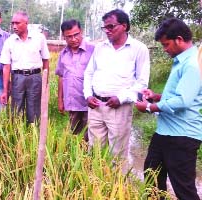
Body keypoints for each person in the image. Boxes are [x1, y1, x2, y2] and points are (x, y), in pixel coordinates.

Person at [135, 18, 202, 200]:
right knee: (152, 177)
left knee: (184, 189)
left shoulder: (192, 64)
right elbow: (178, 95)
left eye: (166, 45)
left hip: (182, 135)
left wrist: (150, 106)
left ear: (179, 39)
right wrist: (156, 96)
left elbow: (183, 101)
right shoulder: (181, 61)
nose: (164, 49)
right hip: (165, 132)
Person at [83, 9, 150, 158]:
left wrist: (121, 98)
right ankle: (96, 181)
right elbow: (89, 73)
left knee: (117, 154)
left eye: (111, 26)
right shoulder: (100, 47)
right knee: (94, 152)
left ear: (124, 26)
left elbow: (142, 83)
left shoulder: (139, 49)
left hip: (119, 109)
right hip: (96, 106)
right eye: (104, 27)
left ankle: (117, 181)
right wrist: (88, 95)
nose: (107, 31)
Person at [0, 11, 50, 123]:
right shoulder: (9, 41)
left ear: (26, 23)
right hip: (17, 78)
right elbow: (6, 67)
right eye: (12, 23)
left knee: (34, 110)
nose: (14, 26)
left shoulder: (39, 38)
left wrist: (46, 82)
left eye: (17, 23)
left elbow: (46, 60)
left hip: (35, 77)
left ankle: (33, 136)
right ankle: (17, 136)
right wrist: (5, 90)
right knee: (16, 110)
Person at [55, 19, 95, 140]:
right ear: (64, 37)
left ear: (81, 32)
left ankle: (90, 157)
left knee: (90, 134)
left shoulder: (93, 50)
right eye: (69, 36)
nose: (73, 39)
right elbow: (61, 76)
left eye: (76, 35)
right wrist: (60, 100)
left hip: (90, 102)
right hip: (72, 102)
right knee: (75, 135)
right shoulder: (63, 53)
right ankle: (77, 157)